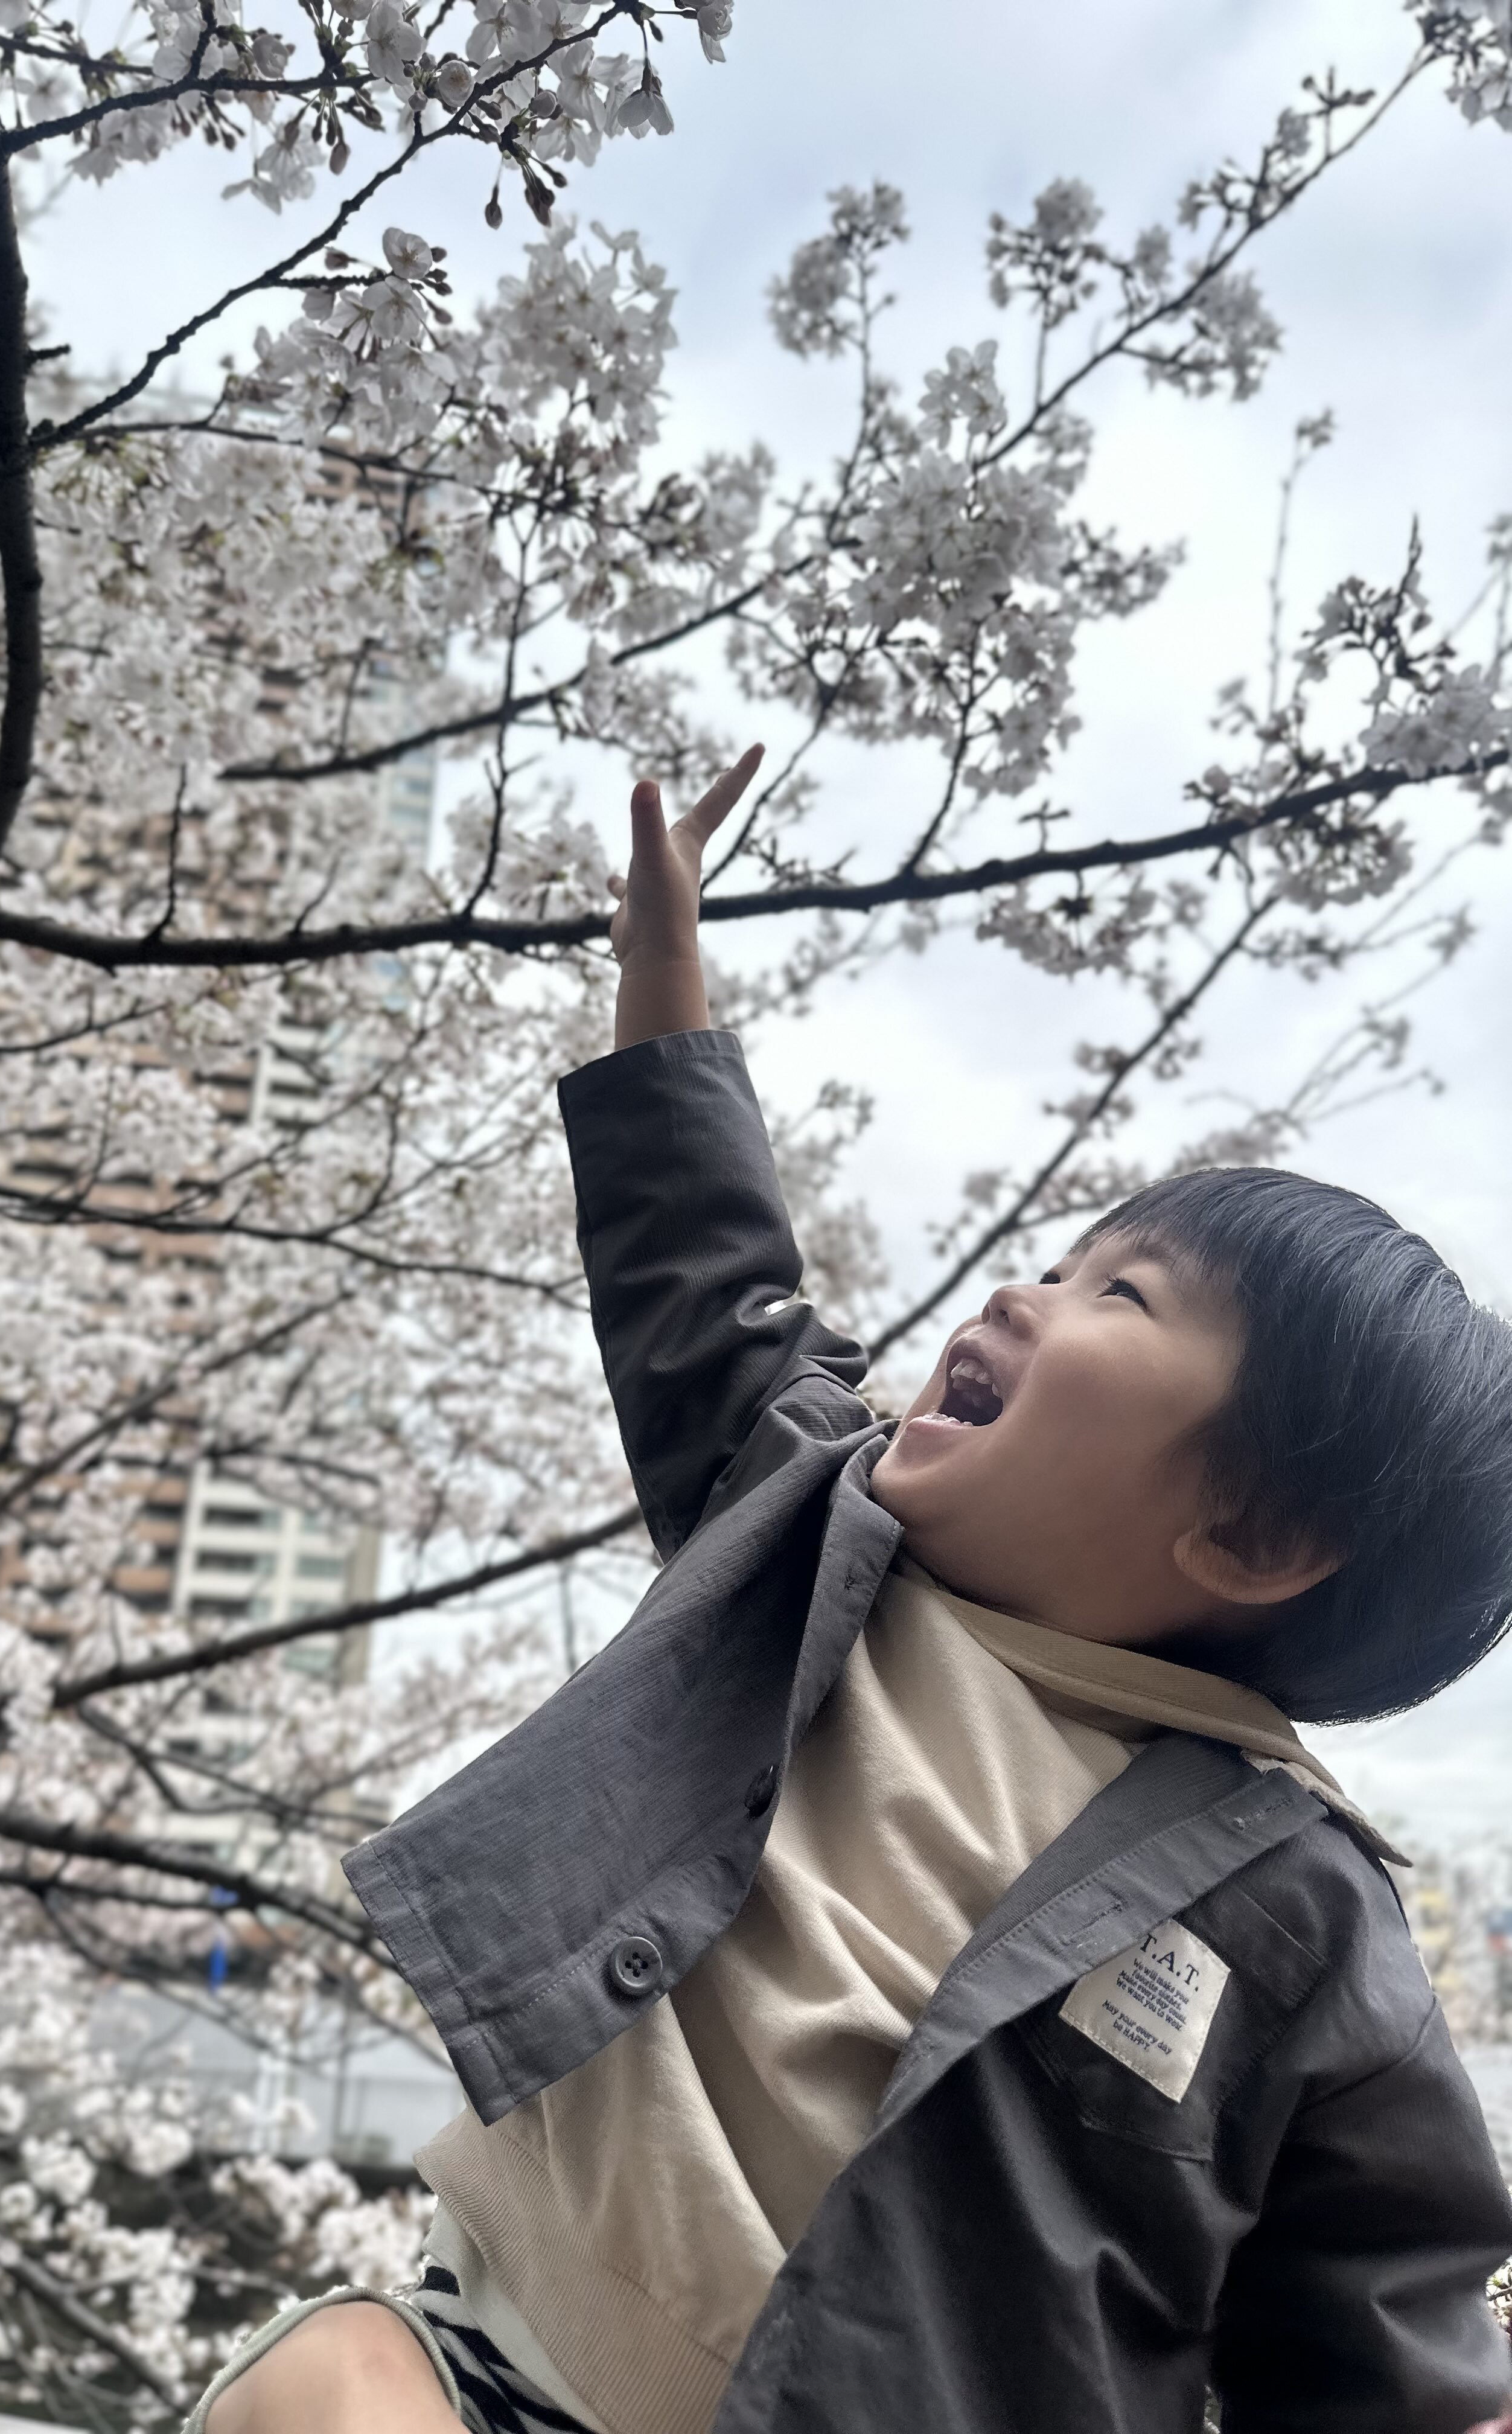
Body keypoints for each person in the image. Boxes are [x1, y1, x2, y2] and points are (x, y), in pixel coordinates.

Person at [190, 750, 1512, 2434]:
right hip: (495, 2372)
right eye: (1054, 1255)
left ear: (1247, 1543)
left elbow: (1375, 2315)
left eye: (1122, 1293)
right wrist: (663, 976)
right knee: (330, 2385)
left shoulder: (1295, 1914)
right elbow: (708, 1282)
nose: (1023, 1294)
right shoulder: (810, 1545)